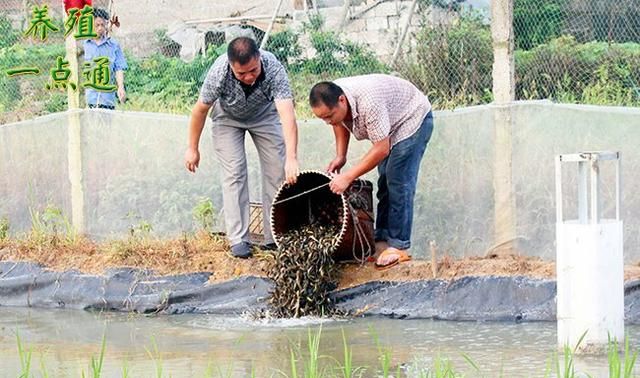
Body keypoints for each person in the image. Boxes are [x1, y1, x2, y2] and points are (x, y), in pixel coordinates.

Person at [185, 36, 300, 259]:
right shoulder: (219, 72)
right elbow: (199, 110)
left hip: (265, 116)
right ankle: (239, 239)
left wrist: (292, 157)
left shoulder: (273, 67)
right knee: (234, 172)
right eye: (241, 73)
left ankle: (275, 235)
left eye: (253, 70)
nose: (248, 77)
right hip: (228, 119)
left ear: (259, 58)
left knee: (278, 171)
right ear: (230, 66)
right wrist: (192, 148)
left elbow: (287, 114)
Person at [308, 74, 433, 269]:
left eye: (329, 116)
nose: (328, 122)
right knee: (385, 182)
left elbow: (381, 149)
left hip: (412, 119)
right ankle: (382, 239)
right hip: (391, 125)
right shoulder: (337, 96)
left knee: (398, 181)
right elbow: (338, 121)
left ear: (341, 100)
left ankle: (399, 246)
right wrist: (341, 155)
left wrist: (348, 177)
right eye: (322, 118)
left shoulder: (369, 102)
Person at [83, 8, 127, 109]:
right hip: (90, 98)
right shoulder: (84, 45)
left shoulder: (113, 45)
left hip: (108, 99)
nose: (100, 28)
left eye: (102, 25)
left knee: (107, 124)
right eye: (97, 25)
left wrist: (120, 87)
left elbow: (118, 68)